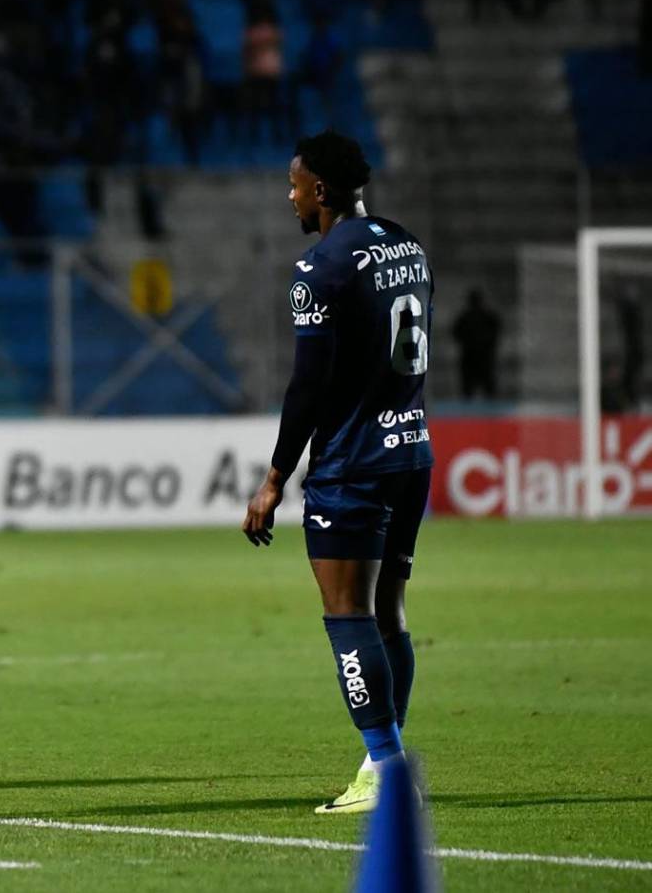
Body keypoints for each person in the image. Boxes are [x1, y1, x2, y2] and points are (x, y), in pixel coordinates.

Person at [243, 131, 434, 815]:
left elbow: (307, 387)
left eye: (294, 184)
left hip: (353, 464)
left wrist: (274, 478)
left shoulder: (319, 268)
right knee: (390, 612)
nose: (289, 195)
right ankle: (388, 759)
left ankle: (383, 765)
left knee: (346, 613)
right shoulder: (404, 243)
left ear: (320, 190)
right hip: (411, 451)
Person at [451, 287, 500, 399]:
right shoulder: (466, 317)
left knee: (486, 389)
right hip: (474, 357)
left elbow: (495, 333)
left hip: (481, 357)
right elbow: (456, 333)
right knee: (470, 389)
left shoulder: (488, 318)